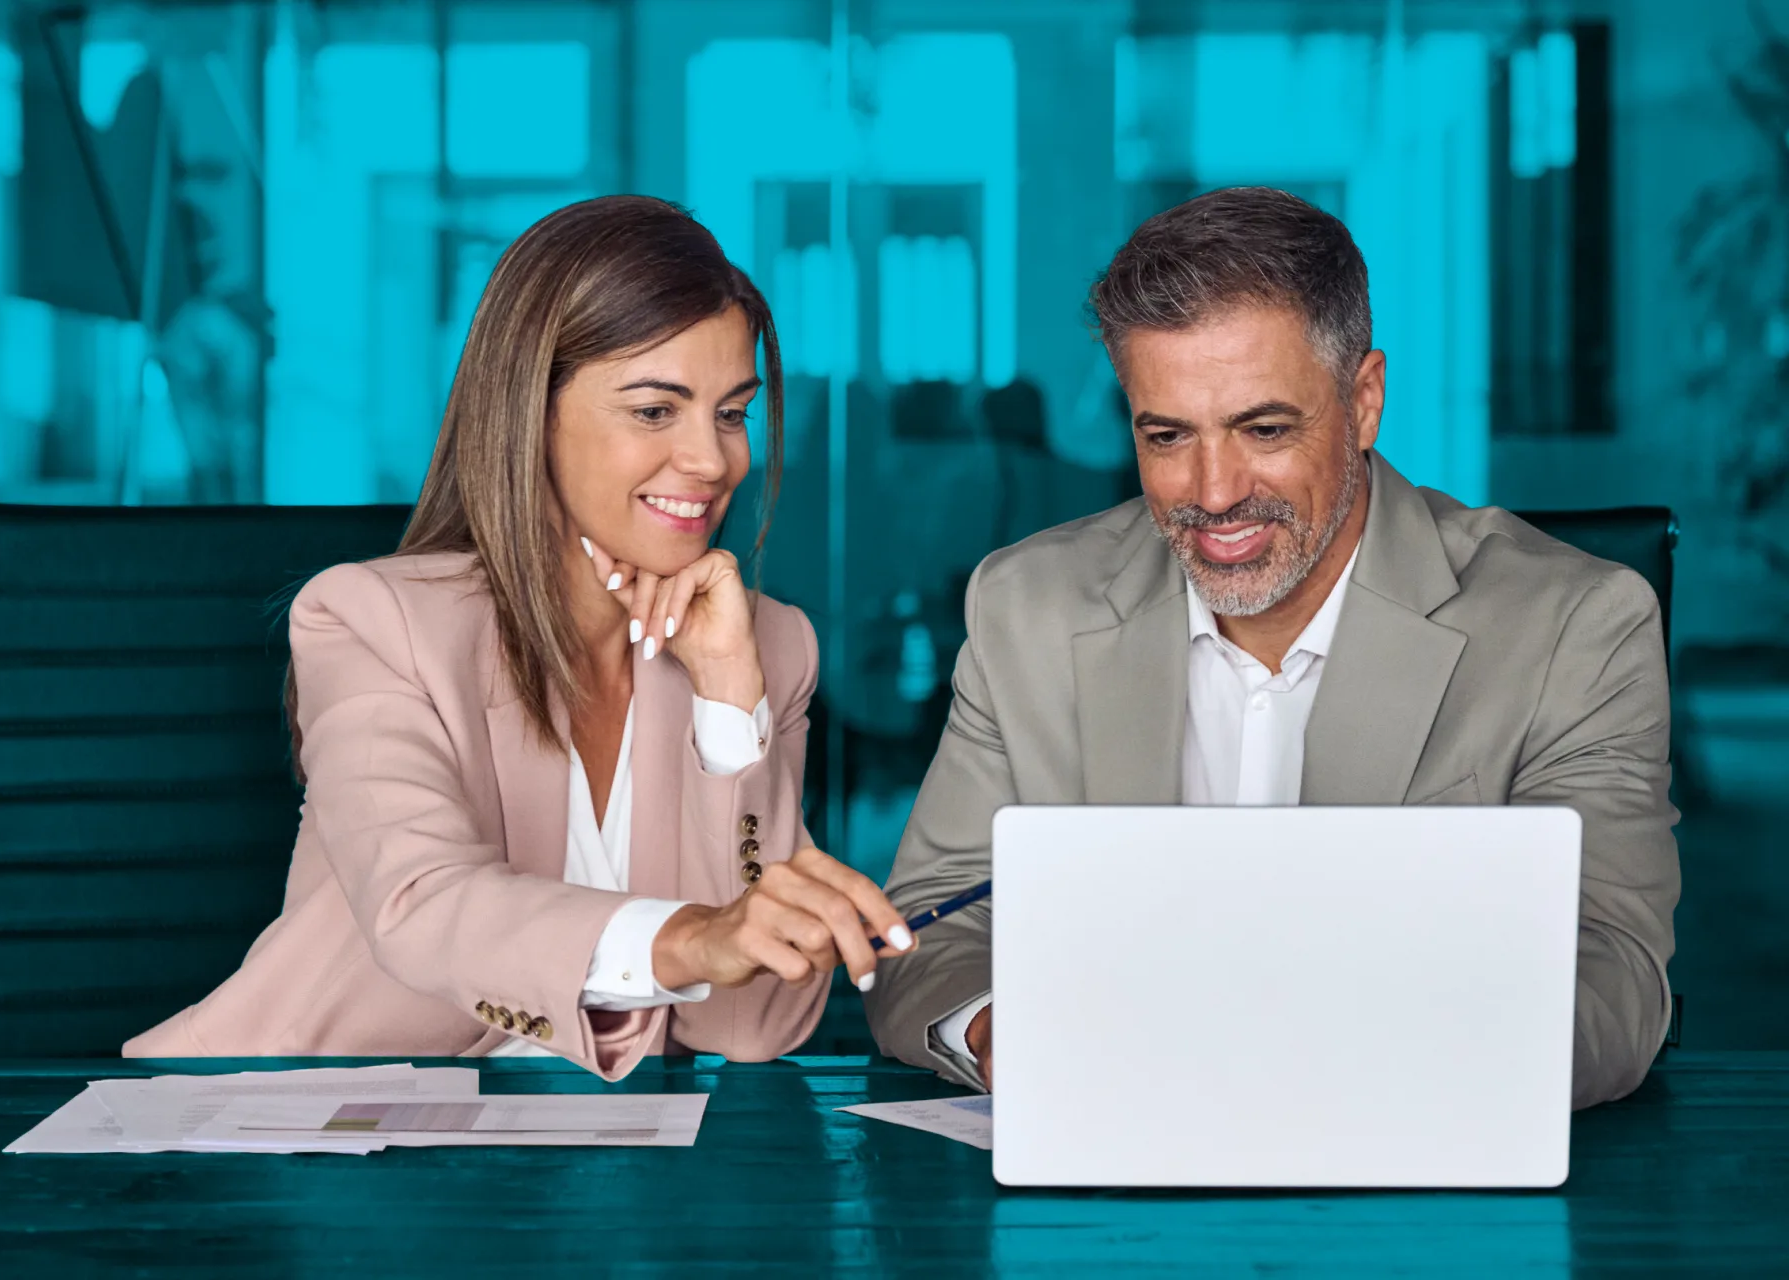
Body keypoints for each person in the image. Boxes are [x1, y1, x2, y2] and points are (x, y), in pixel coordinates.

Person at [863, 187, 1679, 1110]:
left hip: (1414, 1181)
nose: (1213, 493)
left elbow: (1612, 975)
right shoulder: (1029, 606)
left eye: (1264, 430)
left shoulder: (1574, 624)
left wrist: (1329, 1071)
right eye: (1167, 436)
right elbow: (931, 921)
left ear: (1363, 401)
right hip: (1114, 1192)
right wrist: (997, 1034)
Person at [127, 195, 911, 1080]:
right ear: (529, 411)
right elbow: (421, 904)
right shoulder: (371, 623)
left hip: (597, 1172)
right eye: (656, 411)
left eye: (731, 413)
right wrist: (693, 938)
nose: (712, 460)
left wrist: (731, 700)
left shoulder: (769, 643)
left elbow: (751, 1025)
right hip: (310, 1125)